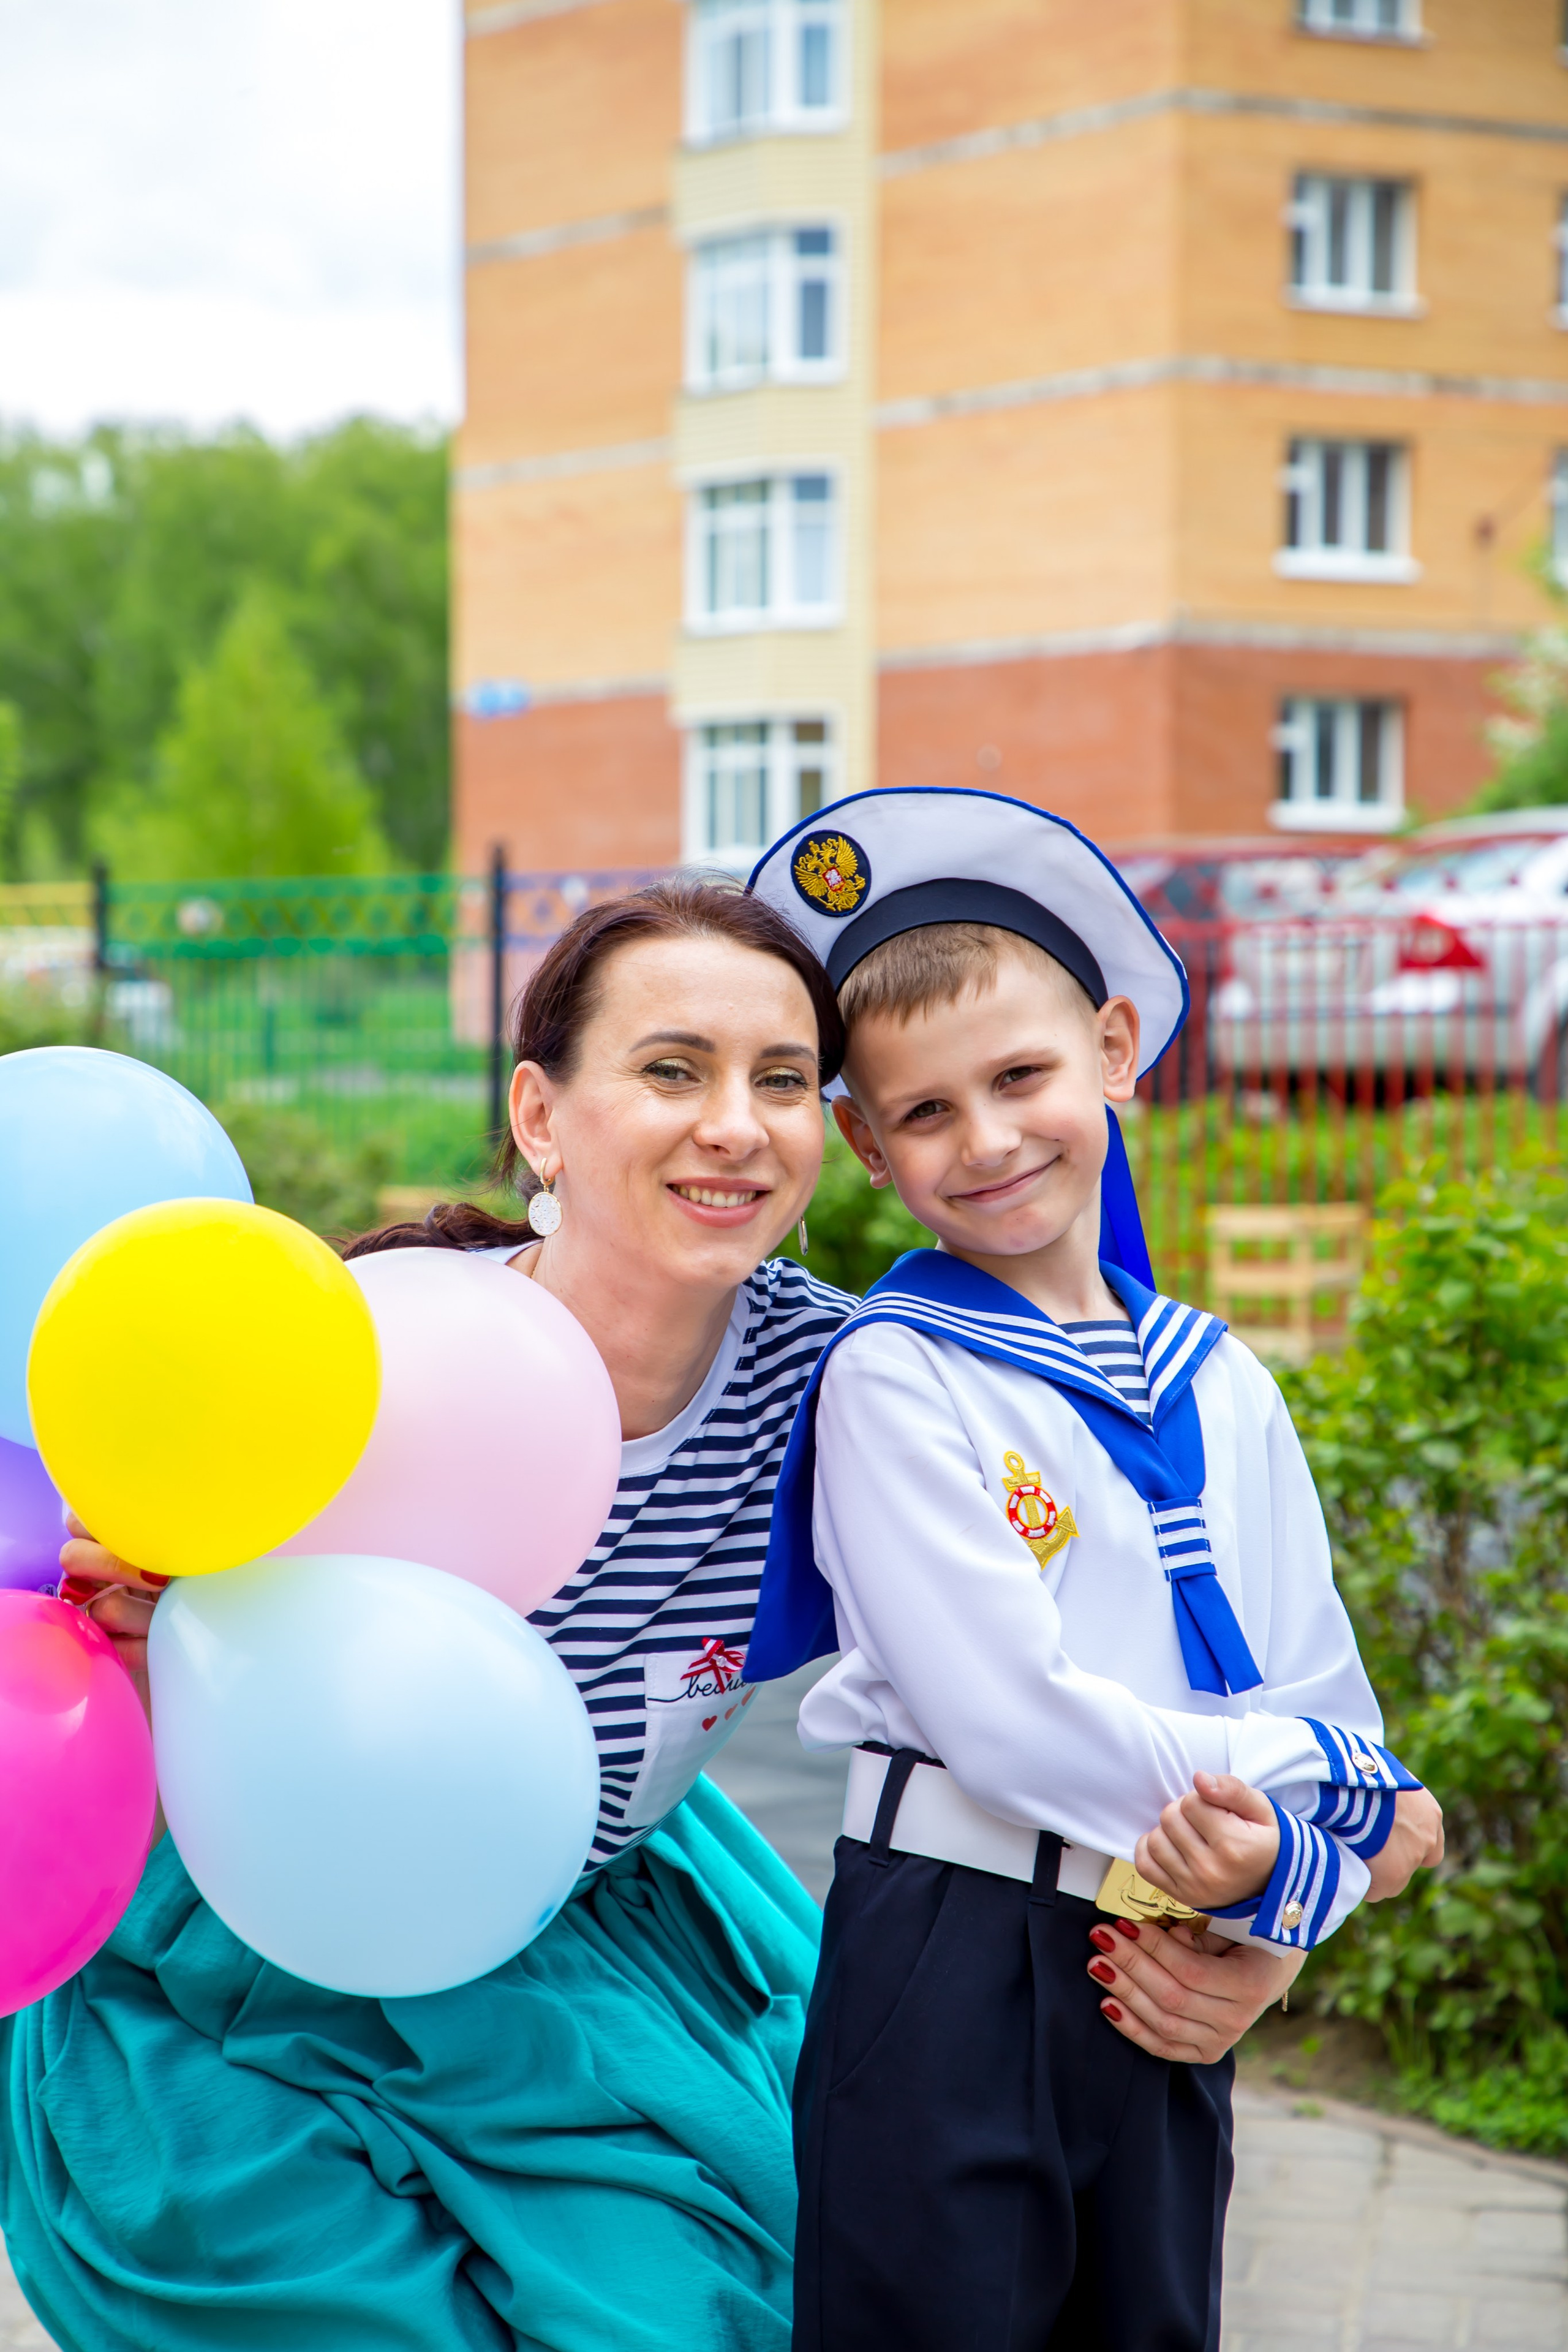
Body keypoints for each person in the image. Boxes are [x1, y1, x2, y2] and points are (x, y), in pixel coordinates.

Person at [1, 880, 858, 2352]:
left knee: (713, 2301)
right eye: (671, 1069)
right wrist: (139, 1610)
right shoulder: (363, 1346)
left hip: (580, 1904)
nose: (736, 1124)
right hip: (251, 1921)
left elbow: (1095, 1549)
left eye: (781, 1081)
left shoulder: (852, 1381)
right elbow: (129, 1568)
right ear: (540, 1116)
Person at [744, 790, 1445, 2352]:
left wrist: (1277, 1912)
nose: (985, 1140)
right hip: (947, 1957)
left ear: (1115, 1053)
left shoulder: (1226, 1383)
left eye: (1020, 1077)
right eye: (922, 1113)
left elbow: (1326, 1695)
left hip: (1167, 1961)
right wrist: (1318, 1794)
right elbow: (1012, 1724)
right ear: (862, 1143)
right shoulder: (895, 1373)